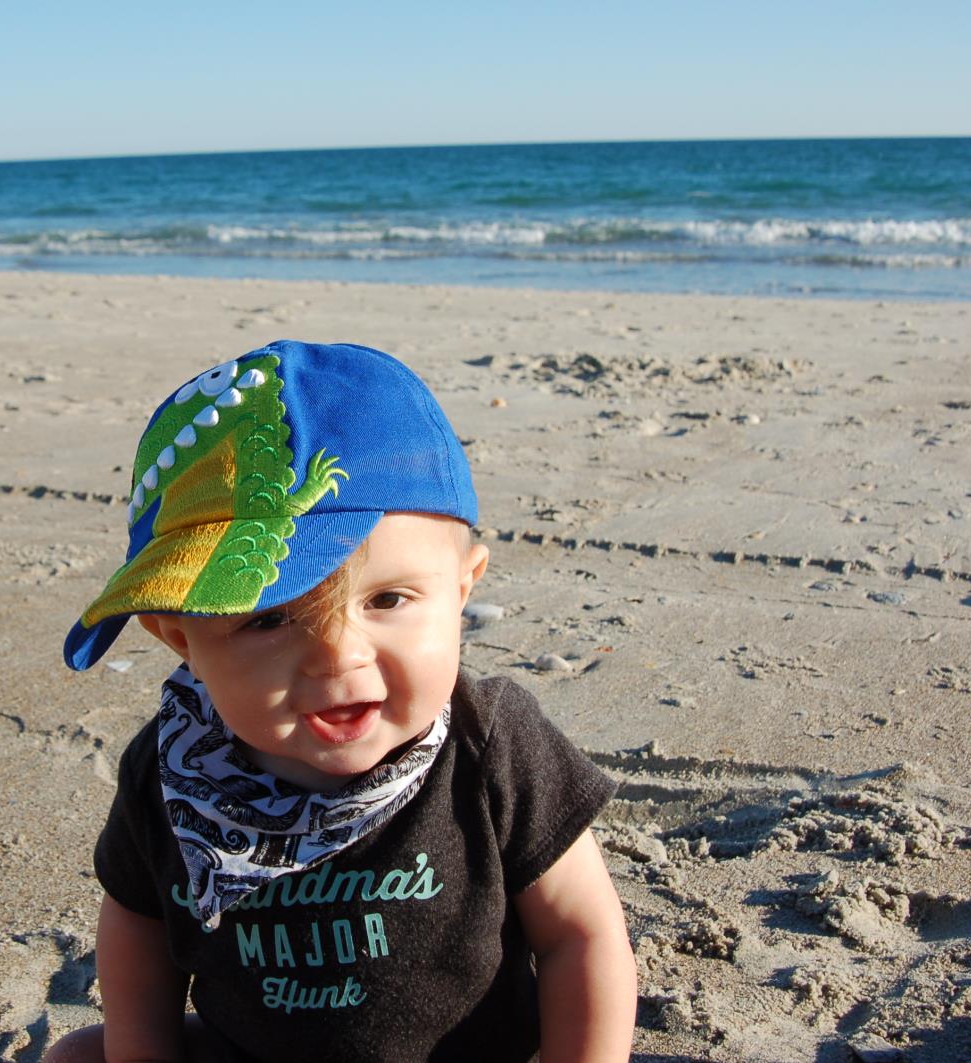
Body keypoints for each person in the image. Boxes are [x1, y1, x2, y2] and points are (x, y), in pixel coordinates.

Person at [49, 341, 635, 1062]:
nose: (338, 656)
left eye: (388, 599)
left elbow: (580, 934)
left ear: (462, 589)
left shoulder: (491, 744)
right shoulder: (172, 770)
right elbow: (138, 930)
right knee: (79, 1055)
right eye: (268, 618)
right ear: (180, 637)